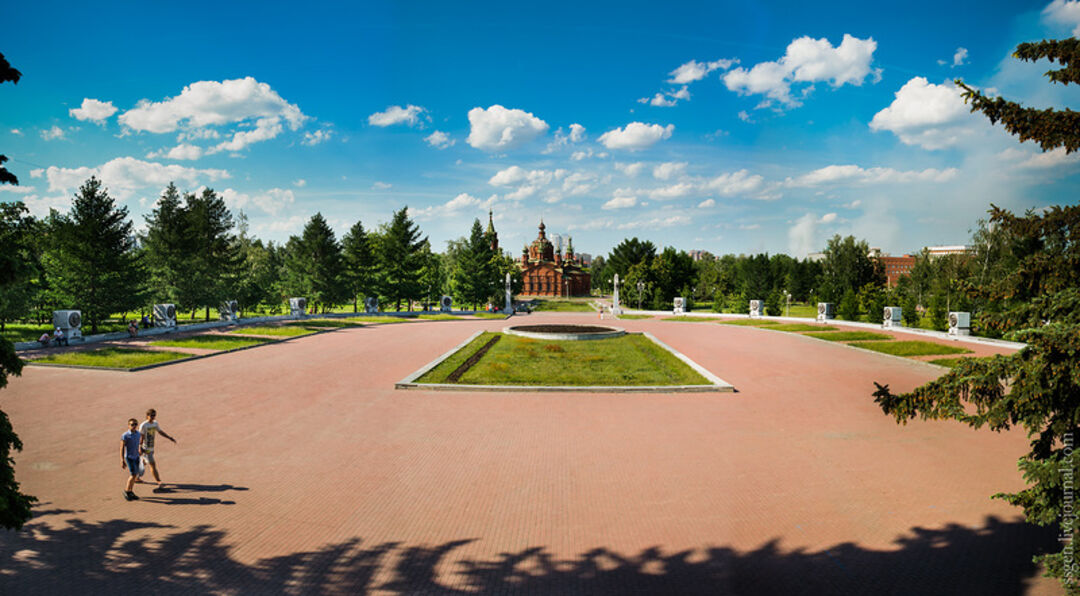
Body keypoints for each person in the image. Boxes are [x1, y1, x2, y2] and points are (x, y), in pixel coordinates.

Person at [138, 408, 177, 491]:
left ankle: (136, 476)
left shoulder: (155, 423)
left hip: (151, 447)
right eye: (151, 415)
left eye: (154, 415)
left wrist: (169, 437)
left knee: (145, 462)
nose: (153, 417)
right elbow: (140, 437)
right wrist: (139, 447)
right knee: (153, 464)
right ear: (147, 416)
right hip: (146, 448)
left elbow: (160, 432)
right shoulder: (143, 425)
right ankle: (159, 481)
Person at [121, 418, 141, 501]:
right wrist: (122, 460)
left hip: (136, 457)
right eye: (132, 424)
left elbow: (139, 443)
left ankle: (131, 491)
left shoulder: (138, 434)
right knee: (133, 474)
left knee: (135, 474)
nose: (134, 426)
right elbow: (121, 448)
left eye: (135, 424)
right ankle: (126, 491)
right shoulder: (125, 435)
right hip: (129, 457)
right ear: (128, 425)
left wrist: (140, 450)